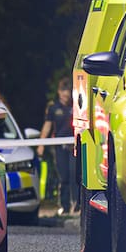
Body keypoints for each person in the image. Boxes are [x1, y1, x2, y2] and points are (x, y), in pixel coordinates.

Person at [39, 78, 75, 215]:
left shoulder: (75, 106)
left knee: (74, 176)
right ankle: (64, 206)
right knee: (64, 177)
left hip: (74, 146)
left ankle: (76, 205)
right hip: (59, 146)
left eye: (68, 92)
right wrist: (41, 144)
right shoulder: (53, 107)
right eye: (64, 92)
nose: (66, 95)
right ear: (59, 92)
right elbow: (47, 126)